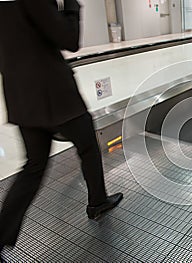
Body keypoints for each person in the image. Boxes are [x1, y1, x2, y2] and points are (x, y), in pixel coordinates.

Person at [0, 0, 123, 260]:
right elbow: (68, 38)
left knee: (33, 168)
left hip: (21, 97)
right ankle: (97, 202)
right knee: (88, 145)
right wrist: (71, 5)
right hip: (55, 96)